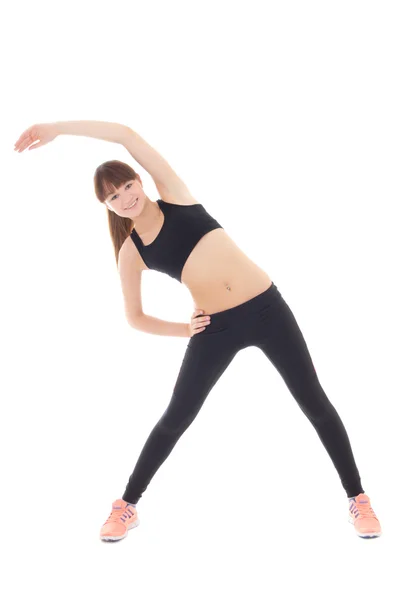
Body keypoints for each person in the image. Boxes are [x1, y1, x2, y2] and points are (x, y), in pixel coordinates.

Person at [14, 120, 382, 543]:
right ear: (108, 207)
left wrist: (56, 129)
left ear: (139, 180)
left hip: (267, 309)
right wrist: (186, 330)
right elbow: (134, 317)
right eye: (114, 198)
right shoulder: (132, 251)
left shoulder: (175, 197)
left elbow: (126, 136)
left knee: (314, 400)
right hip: (216, 328)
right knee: (176, 417)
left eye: (127, 186)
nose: (125, 198)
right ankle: (126, 506)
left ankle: (359, 499)